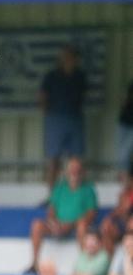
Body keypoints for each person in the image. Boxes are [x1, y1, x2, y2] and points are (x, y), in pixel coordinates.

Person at [29, 157, 97, 272]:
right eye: (72, 169)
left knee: (82, 225)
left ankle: (84, 264)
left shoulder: (88, 188)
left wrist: (71, 224)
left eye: (77, 169)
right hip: (58, 225)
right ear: (66, 172)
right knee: (37, 225)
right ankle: (34, 264)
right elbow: (51, 209)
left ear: (82, 172)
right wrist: (53, 222)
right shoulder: (59, 187)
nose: (74, 172)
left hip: (76, 226)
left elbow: (91, 213)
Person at [41, 45, 87, 190]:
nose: (69, 60)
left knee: (76, 159)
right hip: (55, 119)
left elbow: (83, 96)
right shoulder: (52, 76)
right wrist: (48, 114)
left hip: (75, 119)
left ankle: (75, 192)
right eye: (66, 57)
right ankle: (52, 195)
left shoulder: (80, 76)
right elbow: (42, 96)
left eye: (72, 57)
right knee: (53, 159)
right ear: (61, 59)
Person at [98, 181, 133, 256]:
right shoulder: (117, 210)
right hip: (122, 232)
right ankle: (109, 260)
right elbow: (110, 217)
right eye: (122, 200)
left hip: (130, 234)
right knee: (106, 228)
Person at [116, 79, 133, 182]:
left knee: (125, 151)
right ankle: (124, 177)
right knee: (122, 151)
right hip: (125, 121)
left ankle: (125, 177)